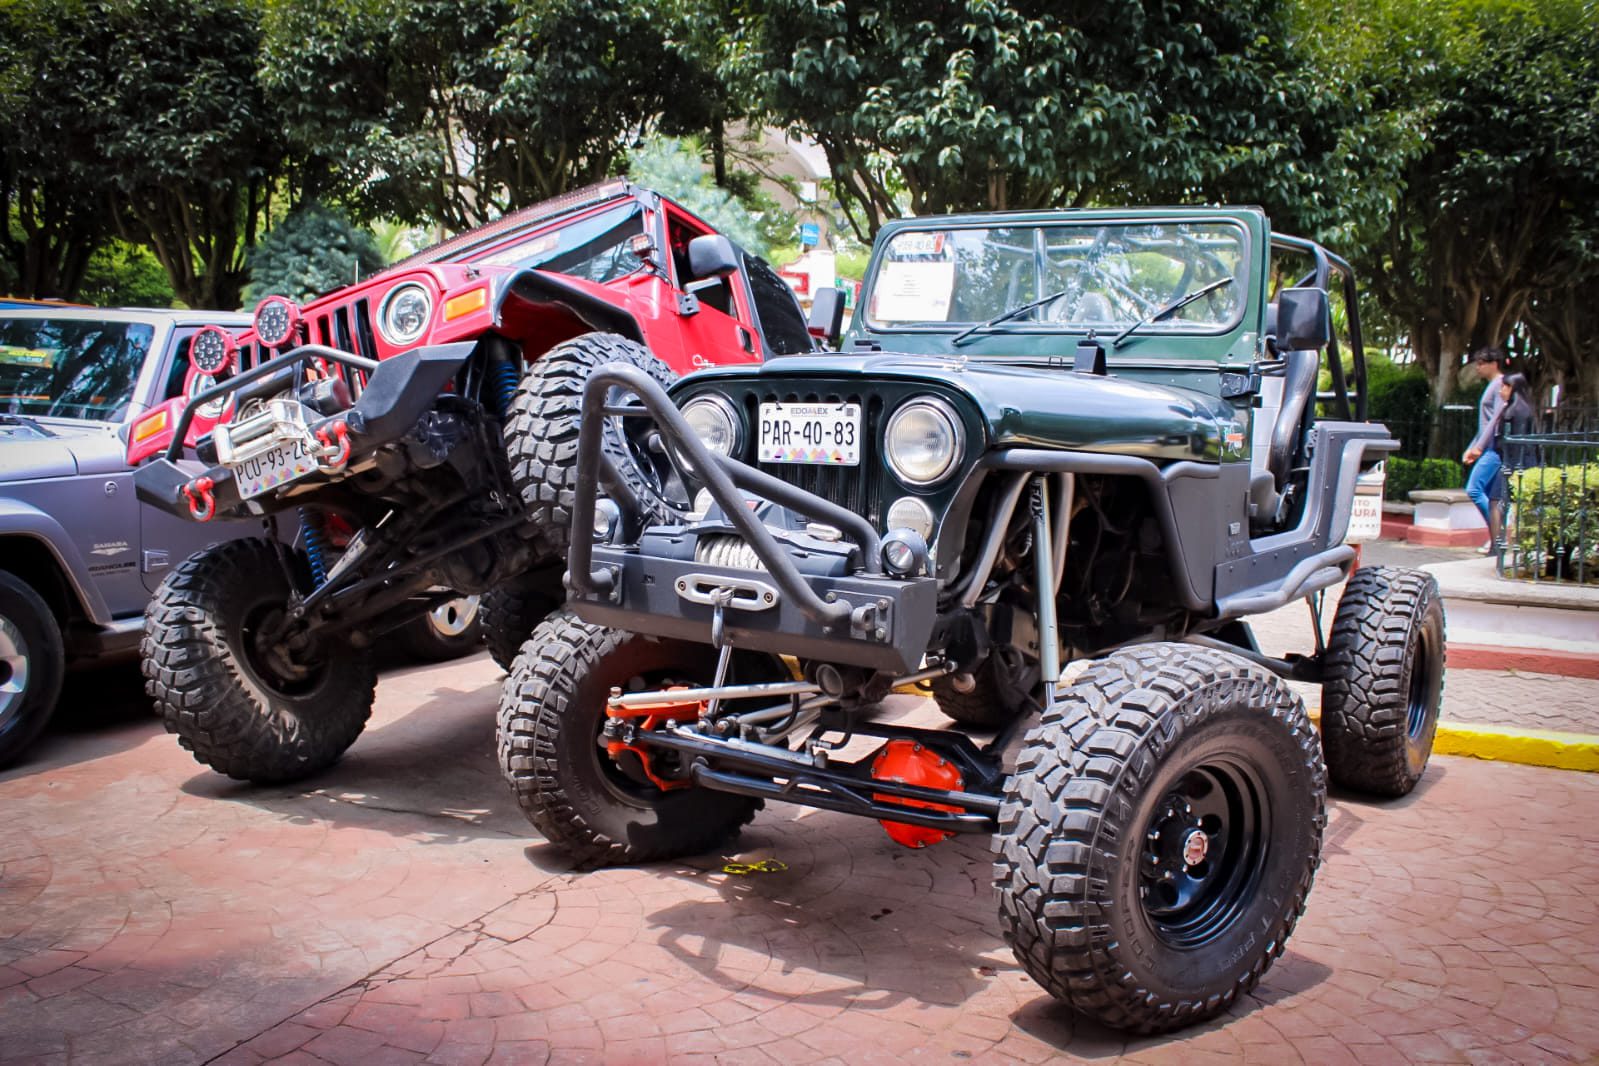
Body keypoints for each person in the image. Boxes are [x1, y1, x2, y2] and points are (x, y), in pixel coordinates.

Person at [1462, 346, 1505, 550]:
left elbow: (1495, 420)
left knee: (1474, 489)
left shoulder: (1499, 385)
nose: (1478, 368)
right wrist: (1473, 447)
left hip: (1493, 449)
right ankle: (1496, 537)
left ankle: (1499, 535)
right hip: (1485, 447)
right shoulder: (1492, 386)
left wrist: (1478, 448)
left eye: (1482, 363)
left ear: (1494, 364)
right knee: (1489, 495)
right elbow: (1484, 423)